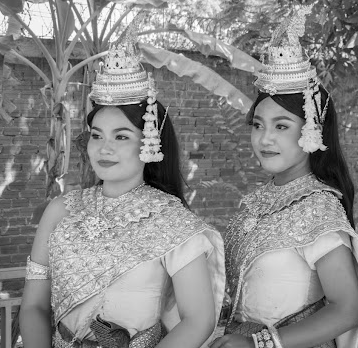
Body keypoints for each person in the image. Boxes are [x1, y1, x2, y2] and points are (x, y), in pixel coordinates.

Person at [19, 26, 226, 348]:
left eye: (121, 136)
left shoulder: (174, 223)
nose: (104, 148)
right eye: (97, 135)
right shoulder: (60, 210)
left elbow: (199, 320)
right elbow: (33, 305)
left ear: (149, 143)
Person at [211, 5, 358, 348]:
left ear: (312, 130)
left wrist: (259, 345)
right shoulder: (254, 203)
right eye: (258, 125)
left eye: (281, 126)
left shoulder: (319, 207)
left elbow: (348, 310)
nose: (265, 139)